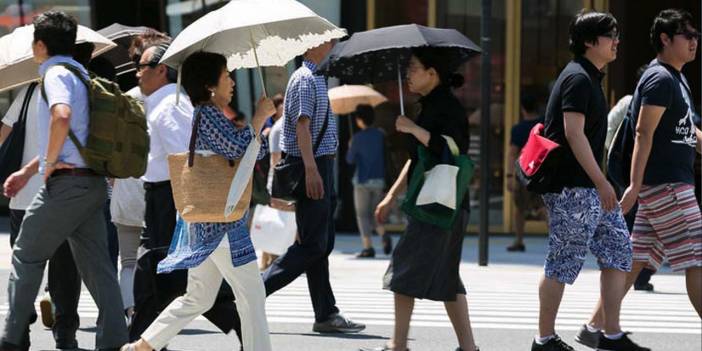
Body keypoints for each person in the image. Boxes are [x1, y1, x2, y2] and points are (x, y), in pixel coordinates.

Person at [121, 50, 274, 351]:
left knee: (199, 297)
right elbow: (236, 149)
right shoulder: (207, 113)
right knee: (251, 295)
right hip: (222, 221)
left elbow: (250, 150)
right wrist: (258, 118)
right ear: (209, 85)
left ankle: (144, 345)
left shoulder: (209, 113)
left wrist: (255, 126)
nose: (232, 82)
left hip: (210, 219)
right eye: (226, 76)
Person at [0, 10, 128, 350]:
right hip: (92, 184)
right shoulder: (82, 75)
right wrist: (29, 170)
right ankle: (115, 341)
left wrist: (49, 165)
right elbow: (72, 131)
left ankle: (10, 340)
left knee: (26, 255)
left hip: (66, 185)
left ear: (39, 45)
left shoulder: (54, 74)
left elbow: (61, 116)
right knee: (98, 269)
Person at [581, 8, 702, 348]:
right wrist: (634, 185)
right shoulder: (659, 79)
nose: (695, 42)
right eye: (687, 35)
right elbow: (643, 132)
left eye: (696, 36)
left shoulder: (676, 78)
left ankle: (594, 327)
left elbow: (684, 130)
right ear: (665, 39)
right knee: (697, 256)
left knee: (634, 261)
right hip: (668, 186)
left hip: (666, 184)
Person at [530, 10, 648, 351]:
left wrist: (599, 183)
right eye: (610, 35)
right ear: (588, 42)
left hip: (591, 188)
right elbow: (573, 133)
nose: (616, 41)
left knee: (619, 252)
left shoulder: (591, 77)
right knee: (562, 260)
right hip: (573, 187)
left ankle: (610, 334)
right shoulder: (578, 78)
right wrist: (601, 180)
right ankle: (544, 339)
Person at [245, 40, 366, 335]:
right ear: (314, 46)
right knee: (313, 245)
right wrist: (312, 170)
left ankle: (326, 313)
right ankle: (252, 293)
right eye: (331, 42)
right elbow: (301, 127)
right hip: (311, 165)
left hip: (321, 164)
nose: (335, 46)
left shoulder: (317, 78)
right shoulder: (304, 78)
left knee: (320, 245)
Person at [366, 47, 478, 351]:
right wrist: (390, 196)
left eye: (414, 68)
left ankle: (397, 346)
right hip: (442, 203)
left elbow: (454, 151)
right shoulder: (426, 106)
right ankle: (469, 348)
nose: (408, 74)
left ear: (433, 74)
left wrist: (413, 129)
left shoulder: (447, 107)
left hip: (440, 205)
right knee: (447, 278)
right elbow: (418, 160)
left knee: (403, 270)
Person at [605, 65, 657, 292]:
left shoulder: (632, 102)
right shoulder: (631, 102)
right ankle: (634, 274)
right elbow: (608, 132)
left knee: (638, 221)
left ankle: (633, 273)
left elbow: (607, 132)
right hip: (631, 172)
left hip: (631, 171)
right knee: (634, 220)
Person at [345, 104, 390, 258]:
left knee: (362, 215)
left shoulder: (357, 138)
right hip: (379, 180)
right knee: (374, 214)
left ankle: (368, 247)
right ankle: (383, 233)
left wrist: (351, 146)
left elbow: (349, 160)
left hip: (362, 181)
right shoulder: (380, 135)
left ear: (359, 119)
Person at [505, 93, 545, 252]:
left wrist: (509, 176)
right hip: (543, 171)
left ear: (522, 109)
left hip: (524, 172)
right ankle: (555, 241)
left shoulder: (518, 129)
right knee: (545, 207)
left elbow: (512, 153)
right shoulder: (544, 125)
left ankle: (519, 240)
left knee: (520, 208)